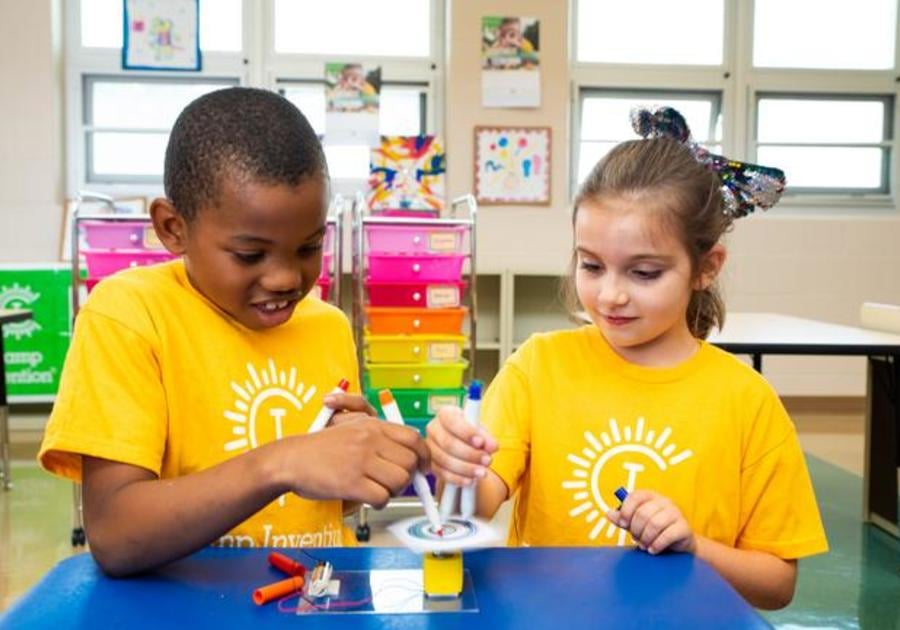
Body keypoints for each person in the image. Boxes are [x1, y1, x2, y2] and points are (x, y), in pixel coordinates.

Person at [426, 107, 828, 610]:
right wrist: (455, 467)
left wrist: (693, 547)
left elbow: (777, 585)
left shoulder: (748, 401)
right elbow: (474, 506)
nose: (611, 295)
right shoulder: (539, 367)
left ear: (706, 267)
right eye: (591, 265)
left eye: (643, 273)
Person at [39, 87, 429, 576]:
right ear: (172, 227)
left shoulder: (327, 325)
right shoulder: (128, 315)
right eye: (250, 255)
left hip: (314, 596)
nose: (287, 278)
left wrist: (361, 461)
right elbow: (116, 535)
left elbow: (327, 510)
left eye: (308, 247)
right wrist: (282, 462)